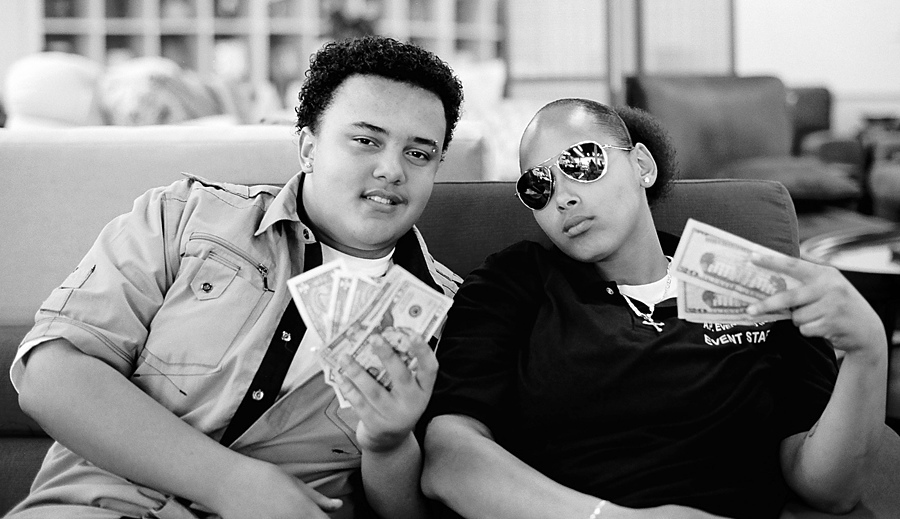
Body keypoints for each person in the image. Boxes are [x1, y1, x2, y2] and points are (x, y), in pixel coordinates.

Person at [8, 35, 463, 519]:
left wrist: (389, 443)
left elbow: (416, 509)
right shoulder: (182, 216)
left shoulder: (453, 316)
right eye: (366, 141)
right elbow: (49, 376)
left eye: (419, 154)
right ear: (308, 148)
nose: (392, 170)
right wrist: (229, 482)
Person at [421, 99, 888, 519]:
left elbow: (829, 490)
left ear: (641, 165)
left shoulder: (751, 281)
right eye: (537, 187)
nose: (563, 197)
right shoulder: (513, 283)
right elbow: (450, 458)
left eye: (582, 163)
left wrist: (868, 351)